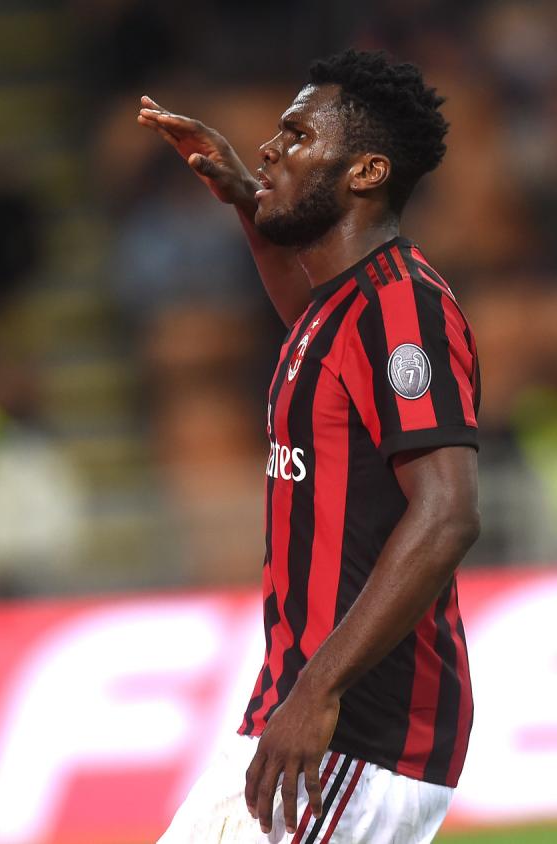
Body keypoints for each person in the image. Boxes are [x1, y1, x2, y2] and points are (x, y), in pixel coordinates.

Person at [138, 49, 481, 843]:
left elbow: (448, 515)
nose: (269, 149)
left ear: (366, 172)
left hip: (361, 727)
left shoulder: (403, 310)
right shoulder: (337, 309)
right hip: (297, 709)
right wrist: (243, 198)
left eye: (296, 136)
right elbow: (315, 328)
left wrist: (317, 692)